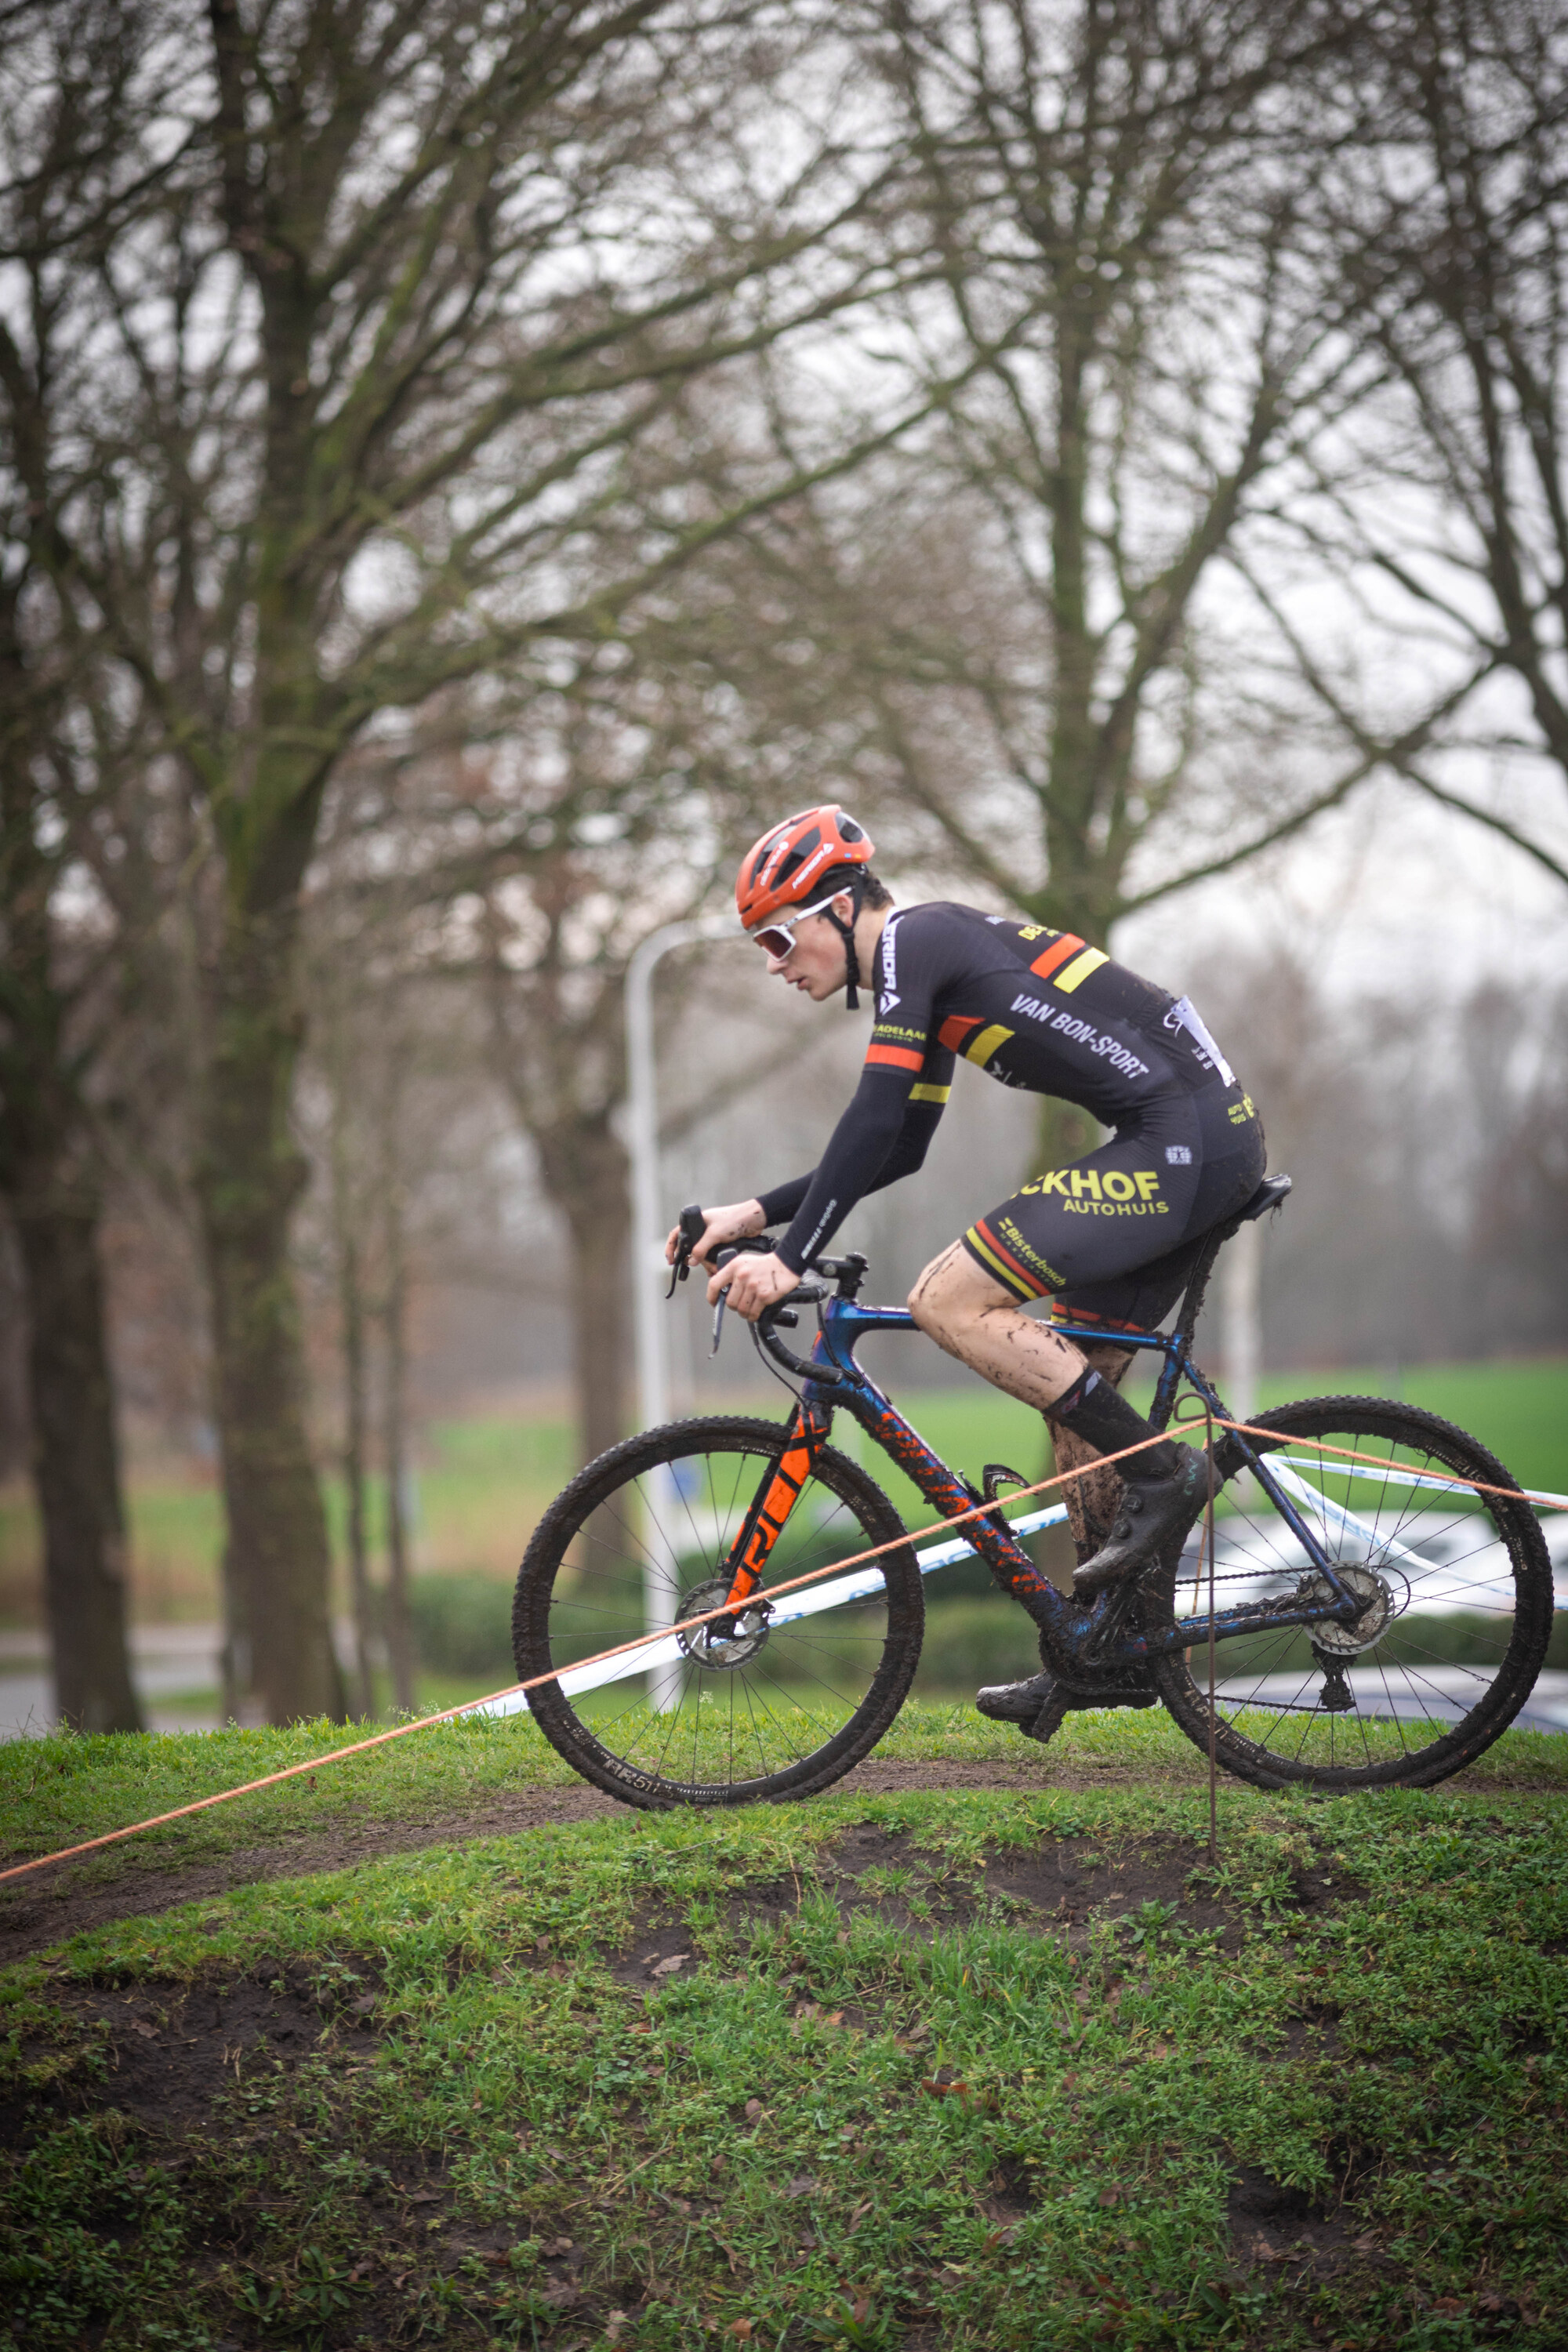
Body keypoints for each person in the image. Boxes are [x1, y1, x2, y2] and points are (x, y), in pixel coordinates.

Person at [668, 805, 1265, 1727]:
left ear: (838, 908)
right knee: (1079, 1386)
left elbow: (869, 1117)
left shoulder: (913, 941)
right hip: (1191, 1142)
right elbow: (901, 1144)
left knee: (946, 1297)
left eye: (779, 936)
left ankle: (1167, 1477)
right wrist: (747, 1214)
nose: (774, 962)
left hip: (1176, 1143)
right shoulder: (931, 974)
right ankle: (1104, 1650)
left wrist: (787, 1261)